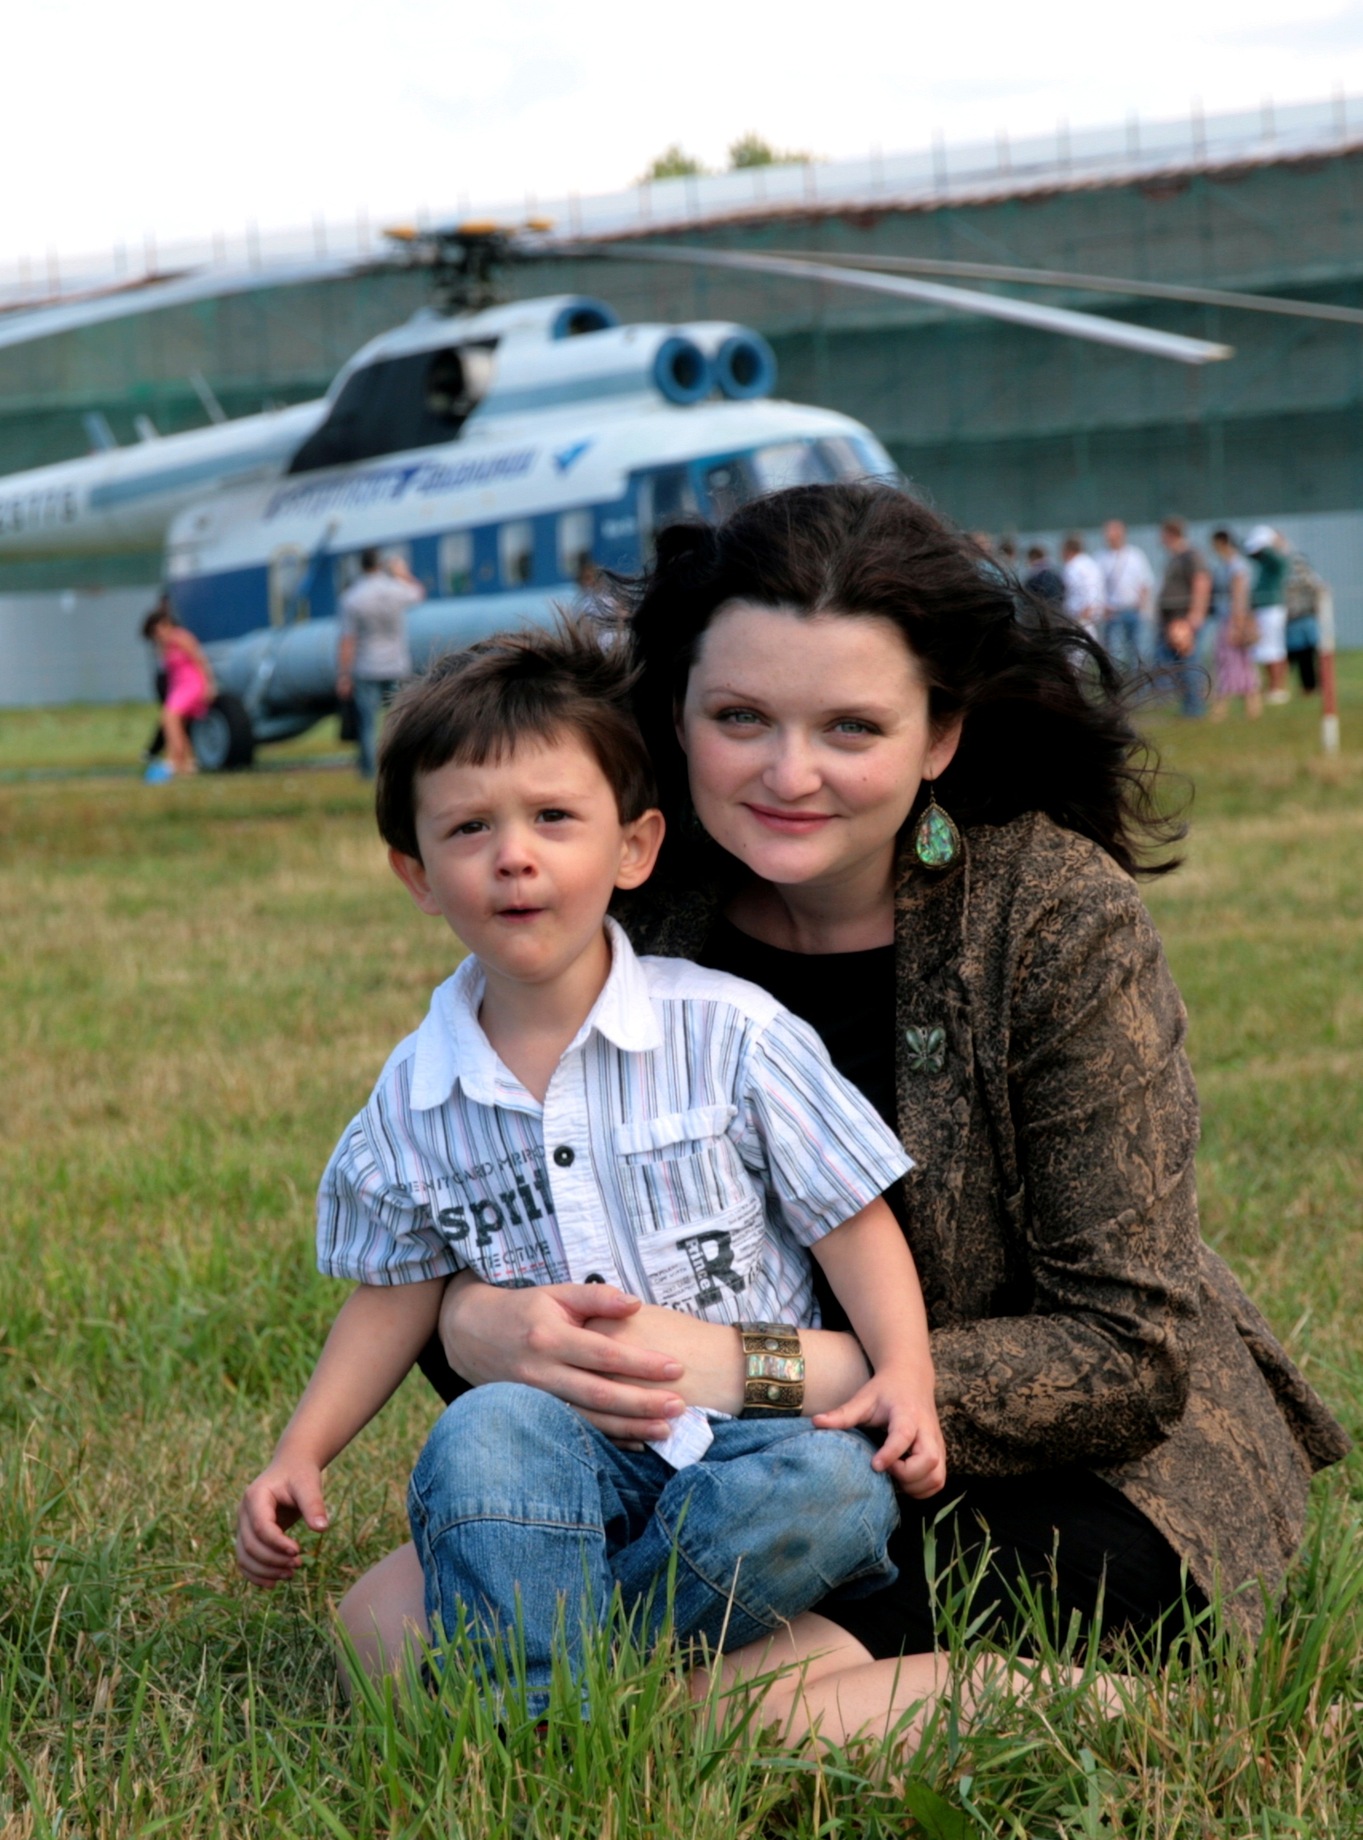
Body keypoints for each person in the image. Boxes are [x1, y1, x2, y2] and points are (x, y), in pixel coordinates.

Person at [362, 483, 1348, 1754]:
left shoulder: (1055, 916)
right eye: (739, 718)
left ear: (939, 734)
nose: (790, 773)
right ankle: (688, 1688)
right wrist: (472, 1320)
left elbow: (1124, 1352)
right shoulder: (628, 897)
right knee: (377, 1620)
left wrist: (754, 1368)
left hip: (1048, 1471)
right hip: (723, 1468)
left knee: (690, 1692)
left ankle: (1106, 1712)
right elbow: (497, 1189)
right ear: (676, 715)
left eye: (851, 726)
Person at [238, 625, 949, 1717]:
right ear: (416, 874)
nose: (513, 856)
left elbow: (849, 1219)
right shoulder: (414, 1098)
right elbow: (394, 1292)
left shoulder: (729, 1032)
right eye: (469, 828)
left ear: (633, 847)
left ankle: (556, 1684)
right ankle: (554, 1693)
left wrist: (904, 1370)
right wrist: (302, 1448)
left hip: (754, 1443)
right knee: (479, 1435)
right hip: (559, 1448)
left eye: (553, 818)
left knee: (836, 1487)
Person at [336, 548, 425, 777]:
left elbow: (348, 640)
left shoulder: (352, 597)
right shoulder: (395, 589)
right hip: (396, 663)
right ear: (380, 564)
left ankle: (370, 772)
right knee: (398, 718)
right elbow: (419, 593)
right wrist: (402, 573)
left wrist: (344, 674)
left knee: (368, 723)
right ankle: (401, 767)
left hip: (366, 666)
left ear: (361, 565)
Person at [139, 604, 216, 779]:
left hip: (192, 684)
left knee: (169, 718)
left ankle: (174, 759)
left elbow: (200, 660)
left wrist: (209, 685)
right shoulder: (162, 647)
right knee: (178, 725)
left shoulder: (181, 637)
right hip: (178, 687)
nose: (157, 636)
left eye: (157, 630)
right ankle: (187, 763)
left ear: (165, 624)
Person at [1155, 517, 1212, 718]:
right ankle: (1188, 706)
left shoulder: (1190, 556)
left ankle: (1195, 708)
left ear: (1171, 534)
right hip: (1172, 620)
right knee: (1178, 665)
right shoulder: (1175, 557)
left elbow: (1202, 582)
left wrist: (1196, 614)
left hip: (1183, 619)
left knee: (1189, 663)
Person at [1208, 530, 1260, 721]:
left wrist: (1237, 624)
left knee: (1229, 662)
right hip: (1229, 619)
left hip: (1232, 620)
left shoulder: (1236, 566)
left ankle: (1222, 709)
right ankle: (1252, 708)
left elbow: (1240, 595)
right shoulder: (1228, 565)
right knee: (1239, 663)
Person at [1096, 519, 1154, 672]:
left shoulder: (1135, 555)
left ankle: (1139, 684)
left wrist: (1143, 605)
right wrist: (1102, 607)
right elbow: (1097, 586)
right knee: (1113, 654)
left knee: (1137, 652)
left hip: (1133, 611)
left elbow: (1145, 582)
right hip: (1112, 613)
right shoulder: (1101, 557)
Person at [1242, 525, 1290, 706]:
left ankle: (1277, 688)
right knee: (1264, 649)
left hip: (1272, 610)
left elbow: (1274, 557)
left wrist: (1271, 542)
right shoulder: (1265, 563)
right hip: (1264, 609)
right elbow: (1248, 552)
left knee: (1274, 649)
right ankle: (1271, 687)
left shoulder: (1277, 560)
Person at [1284, 543, 1326, 696]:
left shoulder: (1309, 578)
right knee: (1298, 657)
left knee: (1306, 657)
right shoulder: (1308, 578)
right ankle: (1284, 687)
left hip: (1304, 621)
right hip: (1298, 622)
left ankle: (1309, 687)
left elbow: (1321, 593)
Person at [1060, 534, 1104, 631]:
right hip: (1093, 616)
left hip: (1079, 616)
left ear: (1068, 550)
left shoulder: (1072, 566)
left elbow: (1077, 589)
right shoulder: (1091, 563)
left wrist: (1086, 610)